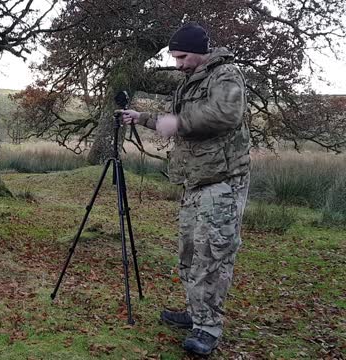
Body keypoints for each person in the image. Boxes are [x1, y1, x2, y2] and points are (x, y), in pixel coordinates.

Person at [118, 23, 251, 356]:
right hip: (195, 181)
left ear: (199, 50)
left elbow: (225, 114)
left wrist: (176, 124)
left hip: (222, 183)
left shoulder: (226, 75)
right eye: (175, 58)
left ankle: (208, 329)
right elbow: (177, 117)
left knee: (213, 257)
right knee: (190, 255)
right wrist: (142, 117)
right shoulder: (192, 80)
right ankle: (195, 314)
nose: (178, 64)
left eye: (182, 56)